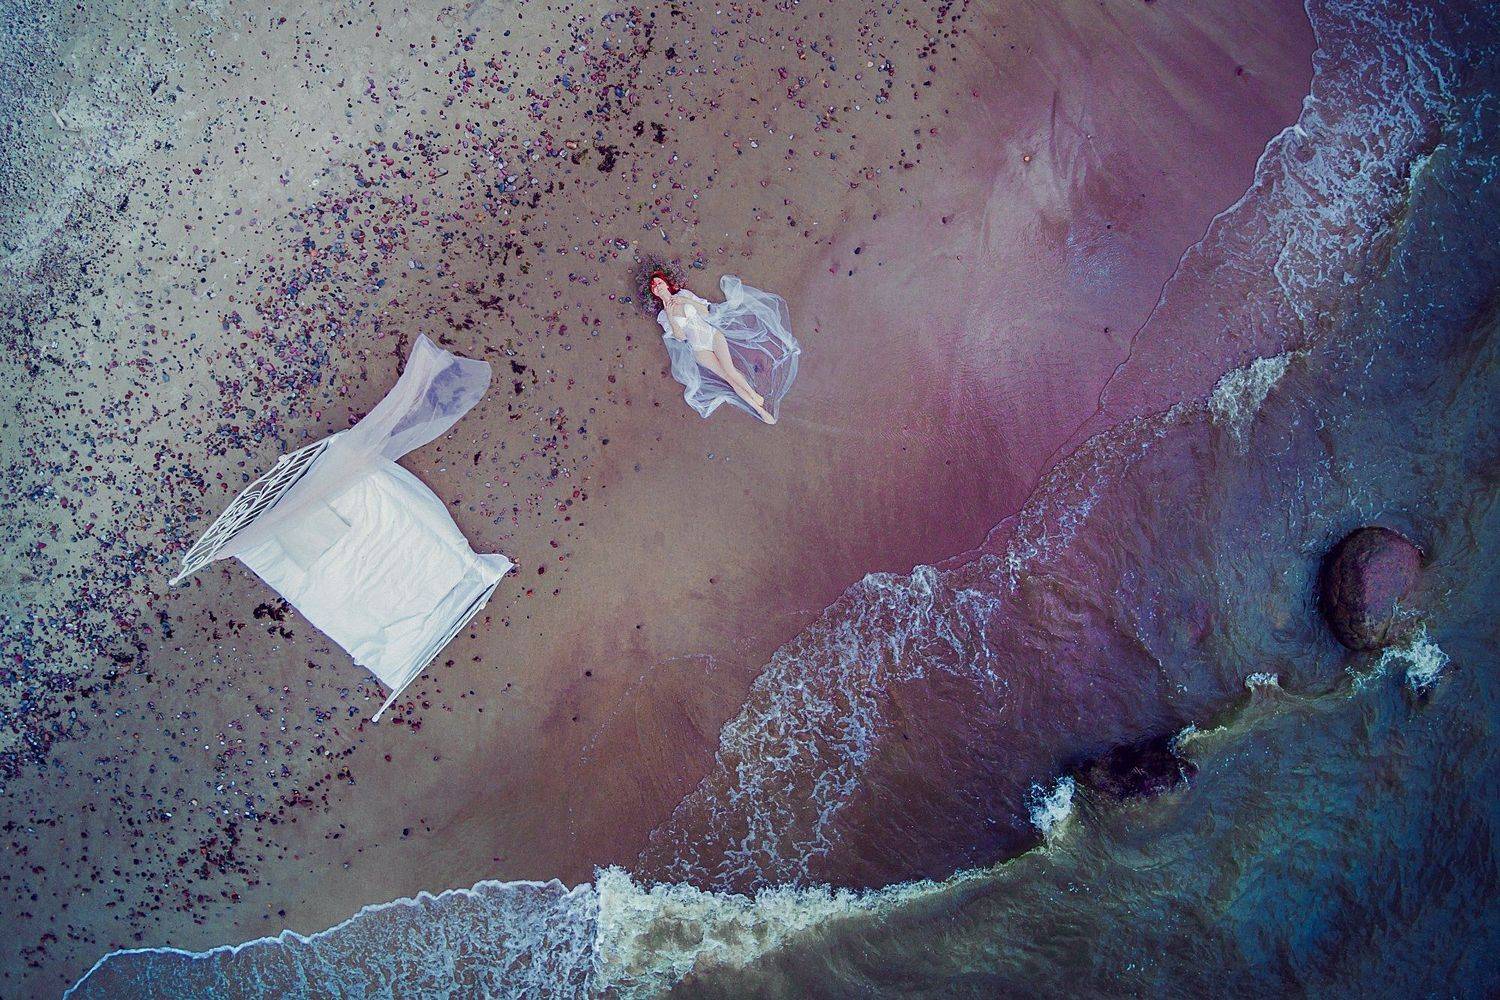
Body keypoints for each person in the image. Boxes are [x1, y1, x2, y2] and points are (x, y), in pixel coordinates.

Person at [650, 271, 778, 424]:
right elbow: (681, 337)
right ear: (654, 293)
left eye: (659, 282)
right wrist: (670, 315)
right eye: (655, 286)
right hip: (699, 349)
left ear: (666, 283)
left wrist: (685, 300)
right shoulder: (663, 316)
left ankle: (753, 393)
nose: (658, 286)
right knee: (728, 379)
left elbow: (705, 312)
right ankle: (760, 411)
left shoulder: (683, 294)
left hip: (712, 335)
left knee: (730, 370)